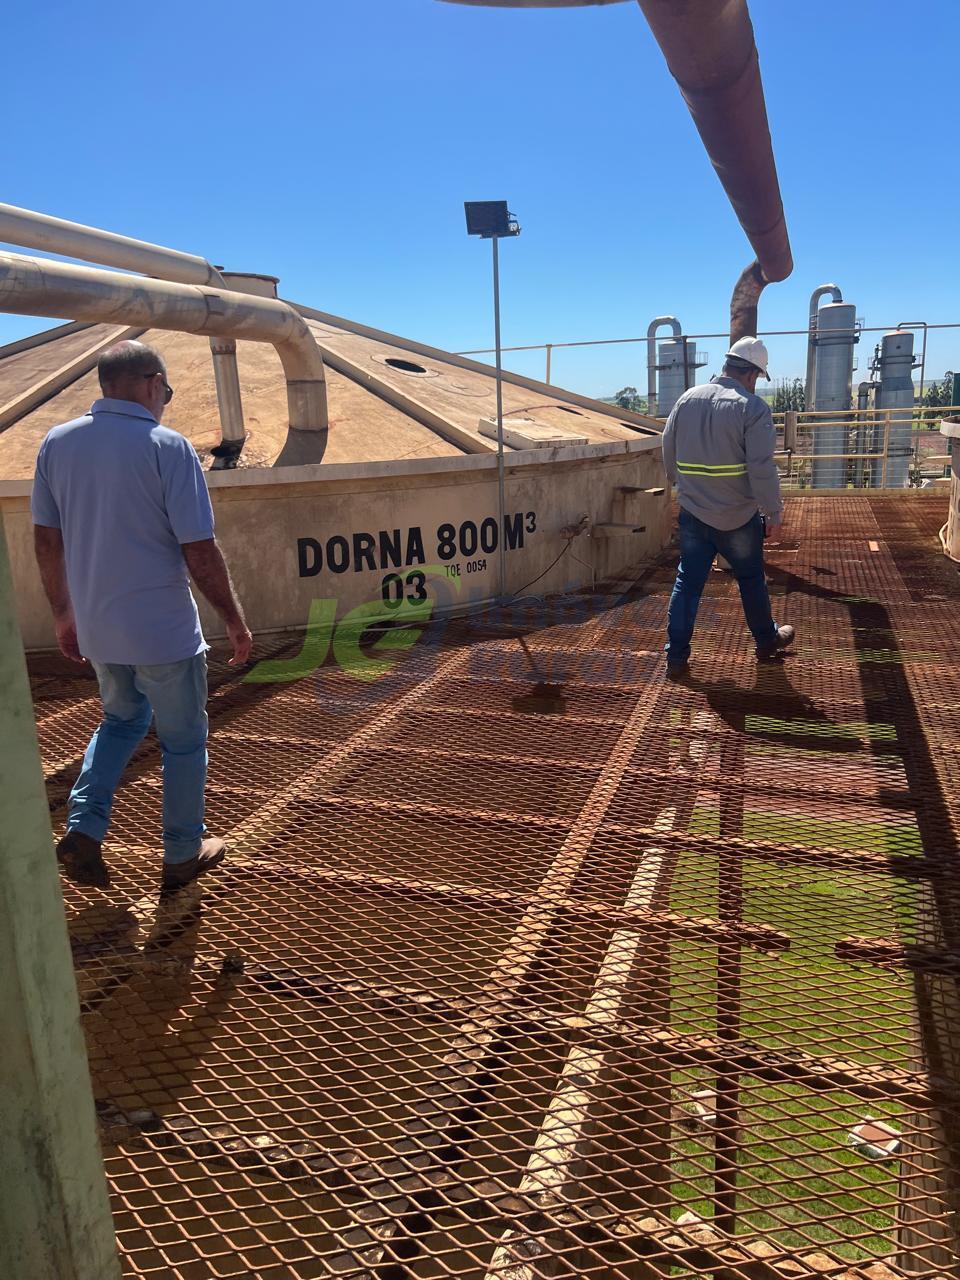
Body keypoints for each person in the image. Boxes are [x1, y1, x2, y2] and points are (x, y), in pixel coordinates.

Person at [31, 340, 253, 893]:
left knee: (120, 722)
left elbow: (46, 540)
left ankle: (84, 828)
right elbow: (198, 548)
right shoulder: (167, 447)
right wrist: (234, 619)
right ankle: (182, 852)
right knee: (183, 741)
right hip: (163, 633)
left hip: (99, 629)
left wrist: (64, 614)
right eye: (166, 391)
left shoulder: (57, 442)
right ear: (153, 383)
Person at [660, 336, 795, 680]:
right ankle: (766, 641)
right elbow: (761, 468)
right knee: (750, 578)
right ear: (751, 373)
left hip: (693, 513)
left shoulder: (687, 399)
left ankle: (676, 657)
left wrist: (683, 486)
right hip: (737, 516)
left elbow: (667, 448)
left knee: (688, 582)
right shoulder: (752, 408)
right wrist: (773, 513)